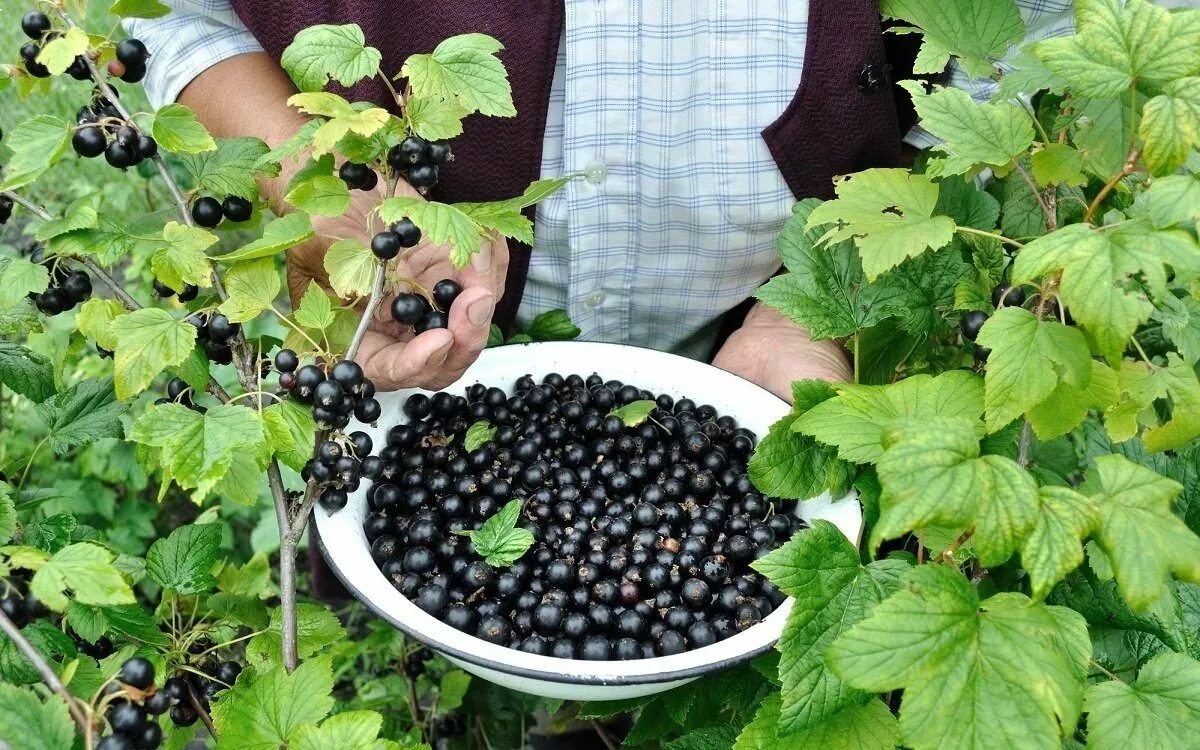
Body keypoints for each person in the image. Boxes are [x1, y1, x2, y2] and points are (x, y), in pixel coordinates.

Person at [127, 1, 1076, 402]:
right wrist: (319, 193)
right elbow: (176, 13)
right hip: (410, 341)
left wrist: (820, 308)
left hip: (783, 340)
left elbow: (1032, 37)